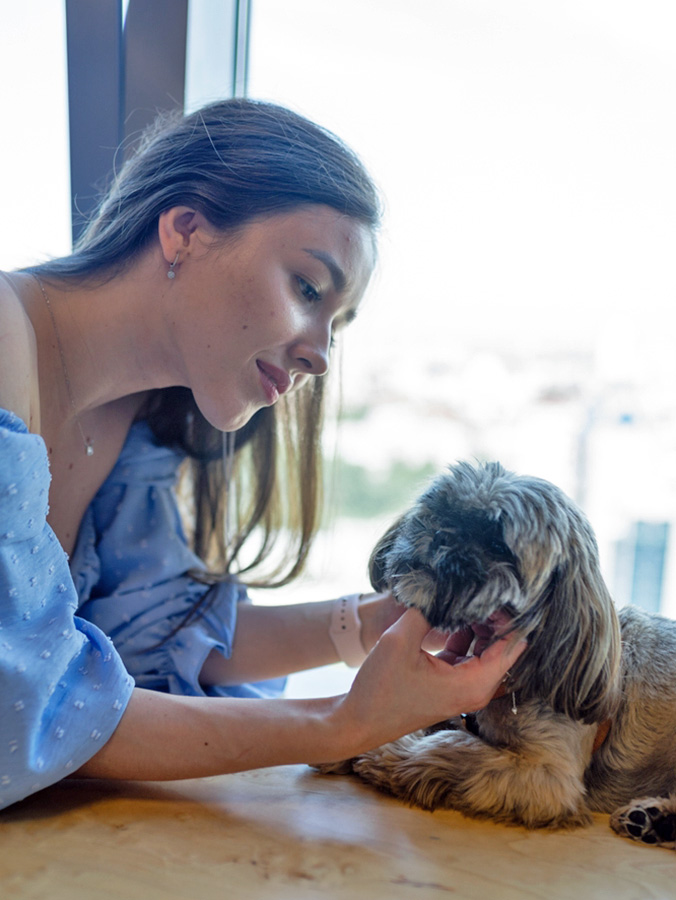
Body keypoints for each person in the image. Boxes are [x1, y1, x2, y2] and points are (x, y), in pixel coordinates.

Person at [0, 99, 525, 810]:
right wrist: (343, 723)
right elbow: (27, 710)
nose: (320, 355)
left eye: (336, 323)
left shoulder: (135, 425)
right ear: (185, 229)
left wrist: (378, 624)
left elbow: (146, 639)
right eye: (308, 288)